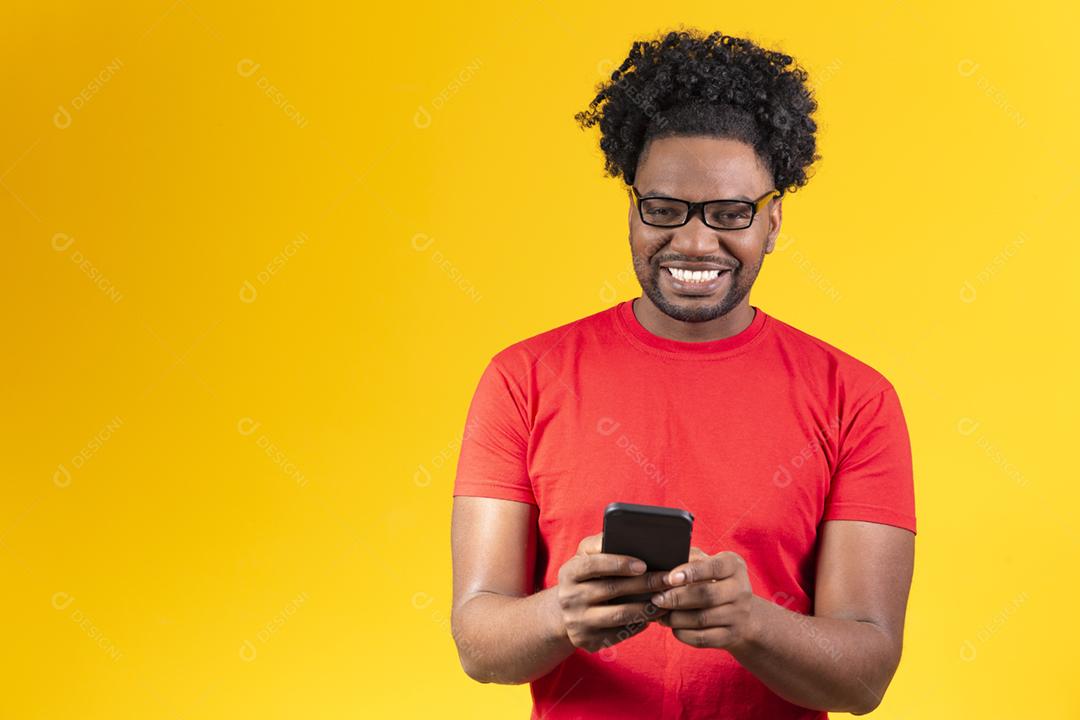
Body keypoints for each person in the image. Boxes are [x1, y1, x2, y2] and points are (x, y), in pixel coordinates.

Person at [450, 26, 916, 719]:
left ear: (774, 221)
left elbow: (865, 677)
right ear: (633, 209)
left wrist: (750, 623)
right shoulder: (522, 379)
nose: (695, 241)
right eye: (663, 210)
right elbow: (478, 644)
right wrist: (560, 614)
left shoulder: (857, 400)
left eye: (730, 213)